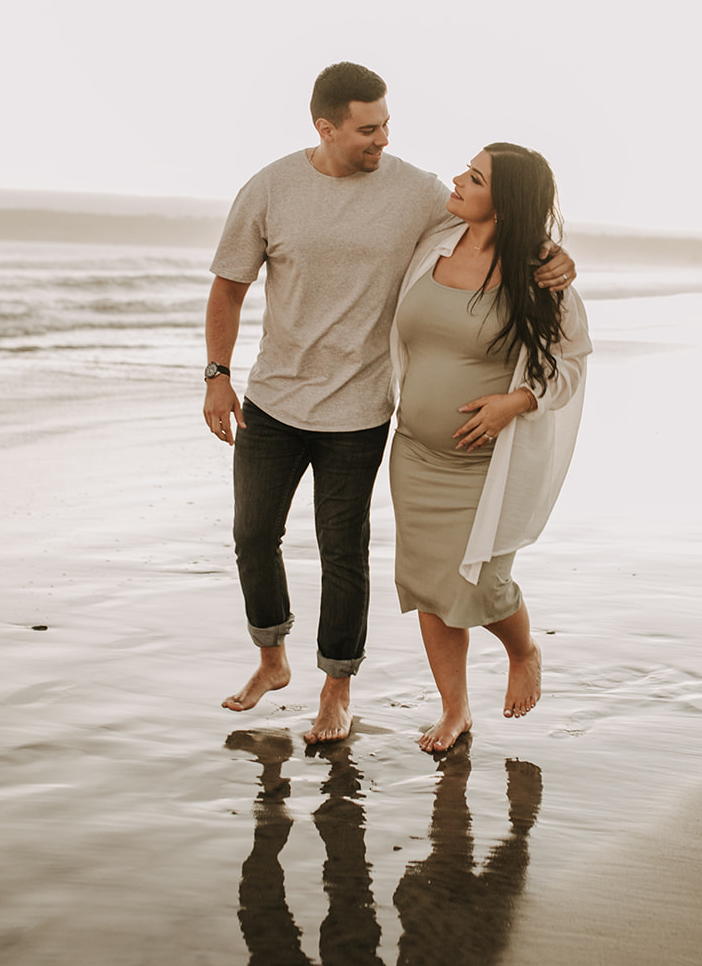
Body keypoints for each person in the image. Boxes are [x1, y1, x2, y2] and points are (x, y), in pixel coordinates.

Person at [203, 64, 576, 744]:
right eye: (367, 129)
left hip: (363, 414)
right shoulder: (270, 187)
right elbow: (229, 285)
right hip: (282, 403)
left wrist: (553, 255)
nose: (382, 139)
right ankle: (274, 660)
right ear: (327, 127)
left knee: (347, 553)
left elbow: (502, 217)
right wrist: (215, 375)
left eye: (386, 125)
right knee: (253, 536)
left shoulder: (417, 194)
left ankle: (337, 693)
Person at [389, 142, 591, 751]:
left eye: (474, 178)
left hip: (486, 464)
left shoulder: (539, 277)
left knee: (482, 583)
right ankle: (454, 710)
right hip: (415, 453)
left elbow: (571, 362)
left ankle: (523, 650)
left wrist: (518, 401)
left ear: (504, 206)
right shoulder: (435, 241)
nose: (457, 179)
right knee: (430, 585)